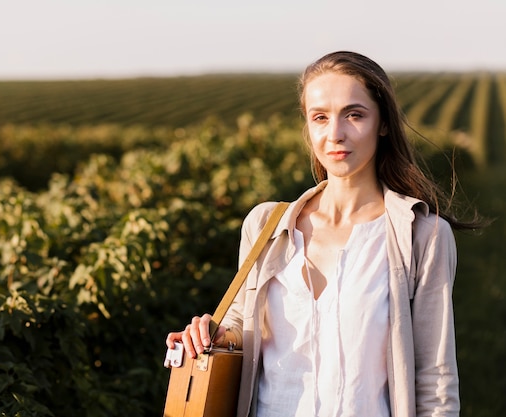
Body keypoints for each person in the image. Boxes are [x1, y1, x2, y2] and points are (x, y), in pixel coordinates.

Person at [166, 51, 482, 417]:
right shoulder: (265, 225)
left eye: (354, 115)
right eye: (320, 117)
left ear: (383, 123)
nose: (335, 134)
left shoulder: (421, 236)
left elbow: (435, 380)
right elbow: (240, 324)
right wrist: (214, 334)